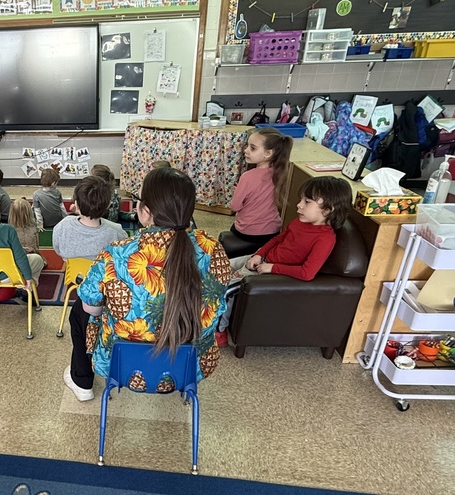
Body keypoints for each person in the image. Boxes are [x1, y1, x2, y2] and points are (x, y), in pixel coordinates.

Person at [64, 167, 233, 401]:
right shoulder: (213, 249)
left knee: (80, 310)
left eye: (138, 199)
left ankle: (81, 381)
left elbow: (91, 309)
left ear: (146, 211)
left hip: (124, 370)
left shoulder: (116, 254)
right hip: (191, 368)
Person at [216, 176, 353, 340]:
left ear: (327, 210)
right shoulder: (300, 222)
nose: (299, 205)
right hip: (262, 259)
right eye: (301, 199)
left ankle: (219, 332)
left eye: (307, 202)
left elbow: (307, 273)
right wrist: (259, 254)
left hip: (271, 272)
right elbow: (277, 239)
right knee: (217, 266)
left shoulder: (325, 239)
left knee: (226, 290)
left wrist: (272, 268)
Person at [226, 127, 292, 257]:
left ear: (268, 153)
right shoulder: (281, 173)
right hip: (272, 231)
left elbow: (234, 206)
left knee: (234, 226)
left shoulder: (247, 177)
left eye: (252, 148)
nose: (246, 150)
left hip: (248, 232)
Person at [52, 175, 128, 262]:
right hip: (103, 274)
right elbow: (122, 255)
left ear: (76, 204)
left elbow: (58, 250)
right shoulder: (117, 231)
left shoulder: (62, 226)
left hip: (73, 274)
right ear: (108, 205)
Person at [8, 198, 46, 284]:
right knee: (38, 260)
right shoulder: (33, 229)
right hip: (28, 259)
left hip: (13, 261)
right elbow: (36, 249)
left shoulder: (7, 230)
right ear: (28, 213)